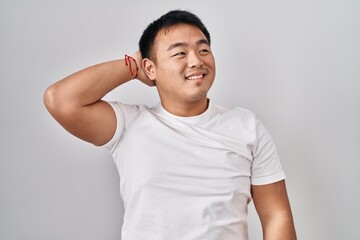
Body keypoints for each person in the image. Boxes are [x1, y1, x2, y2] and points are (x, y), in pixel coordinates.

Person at [44, 10, 297, 240]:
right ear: (150, 68)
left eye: (203, 50)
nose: (196, 61)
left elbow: (277, 216)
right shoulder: (128, 126)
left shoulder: (246, 127)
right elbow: (61, 100)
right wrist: (131, 66)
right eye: (179, 53)